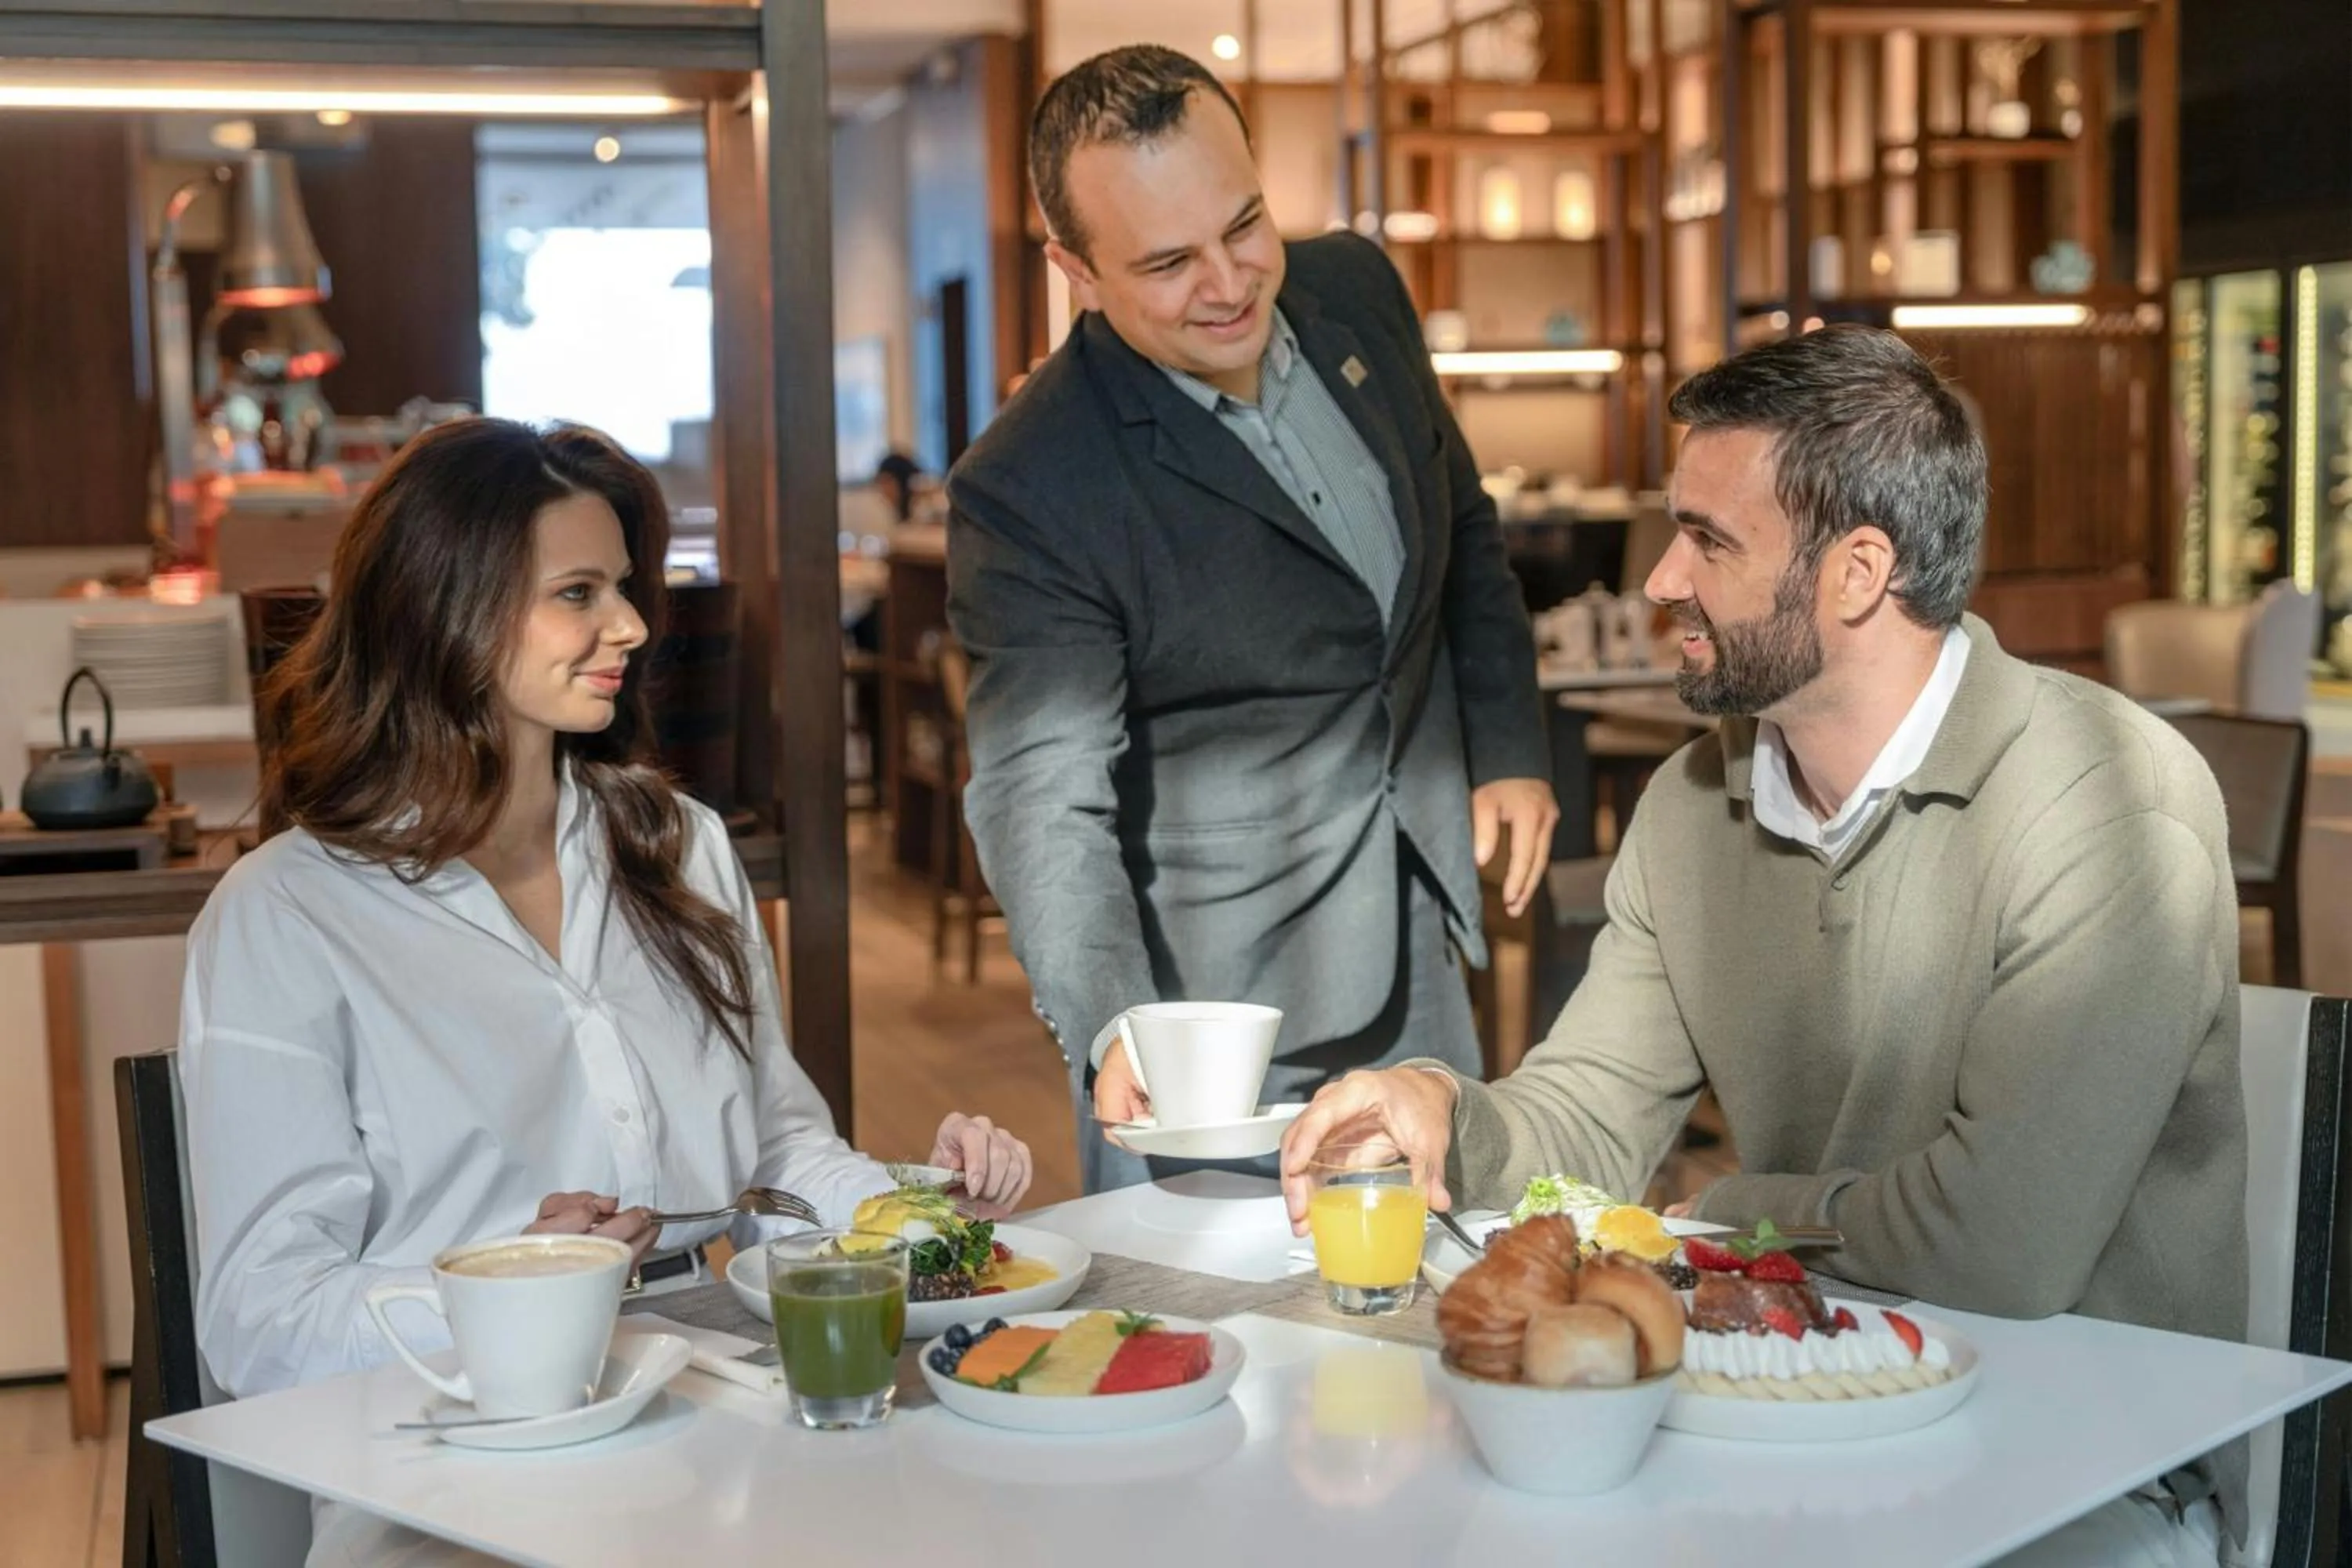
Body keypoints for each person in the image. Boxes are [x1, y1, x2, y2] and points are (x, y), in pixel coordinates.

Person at [1278, 325, 2248, 1563]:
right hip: (1811, 1411)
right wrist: (1442, 1115)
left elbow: (2001, 1248)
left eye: (1712, 542)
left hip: (2087, 1468)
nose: (1663, 580)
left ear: (1856, 573)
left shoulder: (2112, 807)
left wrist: (1732, 1211)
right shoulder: (1694, 806)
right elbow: (1590, 1115)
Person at [181, 419, 1034, 1563]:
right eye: (577, 593)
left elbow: (777, 1158)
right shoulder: (287, 915)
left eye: (624, 588)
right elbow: (262, 1319)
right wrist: (518, 1290)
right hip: (447, 1458)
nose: (630, 626)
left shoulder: (680, 843)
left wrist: (916, 1218)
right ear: (443, 611)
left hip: (724, 1406)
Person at [946, 45, 1559, 1192]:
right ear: (1074, 269)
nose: (1229, 283)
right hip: (1212, 1013)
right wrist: (1110, 1019)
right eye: (1170, 263)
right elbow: (1040, 789)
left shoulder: (1355, 290)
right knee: (1222, 1345)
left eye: (1245, 226)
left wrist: (1507, 747)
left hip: (1419, 924)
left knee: (1434, 1305)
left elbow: (1461, 524)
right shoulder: (1034, 483)